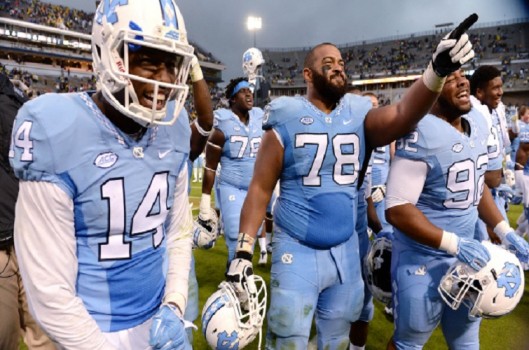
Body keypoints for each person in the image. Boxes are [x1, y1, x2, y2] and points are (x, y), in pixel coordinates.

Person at [226, 15, 478, 348]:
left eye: (341, 63)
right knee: (286, 336)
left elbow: (403, 115)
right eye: (327, 63)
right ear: (308, 74)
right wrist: (243, 250)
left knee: (337, 340)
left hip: (345, 247)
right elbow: (260, 187)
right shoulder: (285, 114)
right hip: (296, 246)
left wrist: (436, 70)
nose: (338, 67)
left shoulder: (358, 113)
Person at [10, 1, 197, 348]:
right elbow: (49, 289)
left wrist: (174, 303)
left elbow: (178, 231)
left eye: (171, 64)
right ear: (109, 53)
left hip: (159, 319)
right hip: (91, 332)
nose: (165, 81)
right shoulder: (56, 128)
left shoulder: (176, 126)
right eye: (150, 60)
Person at [384, 69, 529, 350]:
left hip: (466, 260)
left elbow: (474, 187)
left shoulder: (476, 118)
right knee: (408, 343)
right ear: (432, 89)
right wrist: (453, 243)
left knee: (465, 341)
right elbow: (398, 208)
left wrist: (504, 230)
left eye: (463, 75)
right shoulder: (421, 129)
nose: (462, 81)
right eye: (450, 78)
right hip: (422, 260)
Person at [1, 73, 56, 350]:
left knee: (48, 336)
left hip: (30, 240)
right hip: (11, 243)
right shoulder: (18, 105)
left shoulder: (16, 104)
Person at [197, 77, 268, 263]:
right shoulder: (223, 122)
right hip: (232, 187)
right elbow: (211, 165)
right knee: (236, 238)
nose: (249, 93)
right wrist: (205, 199)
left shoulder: (260, 118)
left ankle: (242, 279)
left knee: (249, 240)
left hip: (255, 189)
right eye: (243, 91)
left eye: (250, 91)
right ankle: (233, 279)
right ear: (233, 99)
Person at [469, 65, 511, 241]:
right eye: (495, 88)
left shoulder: (493, 111)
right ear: (479, 92)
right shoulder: (472, 116)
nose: (500, 92)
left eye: (501, 87)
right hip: (480, 201)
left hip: (495, 194)